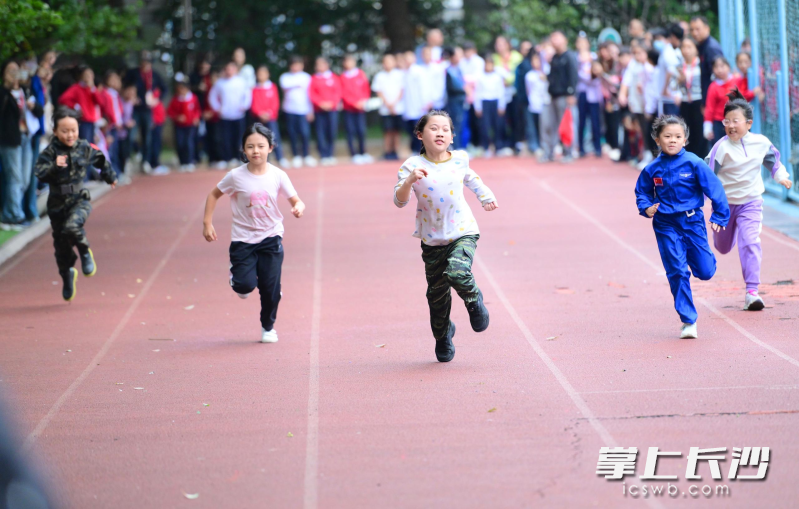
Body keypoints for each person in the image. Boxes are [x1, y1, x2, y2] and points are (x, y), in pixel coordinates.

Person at [392, 110, 496, 362]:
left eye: (445, 129)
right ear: (420, 135)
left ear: (451, 137)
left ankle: (474, 301)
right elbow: (399, 201)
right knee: (436, 299)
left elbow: (473, 180)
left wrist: (486, 197)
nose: (440, 133)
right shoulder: (411, 166)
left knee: (458, 272)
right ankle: (443, 335)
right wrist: (409, 181)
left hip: (462, 231)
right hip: (432, 240)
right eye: (433, 128)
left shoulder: (459, 159)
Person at [202, 123, 305, 343]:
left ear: (270, 148)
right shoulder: (235, 176)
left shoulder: (278, 175)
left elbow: (296, 200)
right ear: (243, 149)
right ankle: (238, 279)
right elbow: (213, 195)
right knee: (244, 286)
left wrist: (298, 207)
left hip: (271, 237)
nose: (255, 151)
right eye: (250, 146)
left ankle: (268, 327)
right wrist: (207, 223)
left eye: (260, 146)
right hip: (243, 240)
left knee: (271, 289)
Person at [634, 115, 729, 339]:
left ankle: (703, 260)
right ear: (657, 140)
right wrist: (646, 207)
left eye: (678, 136)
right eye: (667, 136)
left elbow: (715, 189)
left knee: (705, 271)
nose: (673, 140)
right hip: (665, 224)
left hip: (692, 221)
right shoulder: (652, 168)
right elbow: (642, 192)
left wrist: (720, 215)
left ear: (685, 140)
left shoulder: (694, 163)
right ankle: (688, 320)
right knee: (677, 270)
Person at [705, 89, 792, 310]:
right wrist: (702, 198)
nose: (731, 126)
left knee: (751, 241)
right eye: (727, 121)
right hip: (724, 206)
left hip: (751, 202)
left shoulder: (761, 142)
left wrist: (781, 177)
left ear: (749, 123)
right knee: (723, 247)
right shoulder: (721, 147)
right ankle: (730, 233)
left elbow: (773, 161)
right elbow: (708, 176)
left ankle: (752, 292)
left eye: (736, 121)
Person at [34, 107, 117, 300]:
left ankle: (85, 251)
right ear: (55, 131)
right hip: (57, 204)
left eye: (73, 130)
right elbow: (39, 173)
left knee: (73, 227)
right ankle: (67, 274)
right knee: (61, 248)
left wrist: (110, 176)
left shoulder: (84, 147)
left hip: (79, 200)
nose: (70, 135)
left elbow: (101, 159)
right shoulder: (50, 152)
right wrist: (54, 166)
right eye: (65, 131)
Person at [1, 60, 42, 231]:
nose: (13, 73)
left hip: (26, 137)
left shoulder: (25, 90)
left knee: (24, 179)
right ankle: (14, 216)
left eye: (15, 70)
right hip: (10, 140)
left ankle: (9, 212)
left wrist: (33, 105)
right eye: (9, 71)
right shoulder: (3, 93)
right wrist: (8, 88)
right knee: (14, 178)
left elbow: (39, 111)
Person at [125, 52, 166, 173]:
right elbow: (125, 86)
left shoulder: (155, 75)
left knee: (147, 137)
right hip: (134, 109)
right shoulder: (133, 73)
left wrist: (157, 99)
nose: (145, 64)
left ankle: (145, 161)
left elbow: (164, 89)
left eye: (147, 61)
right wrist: (131, 97)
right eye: (143, 61)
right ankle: (128, 159)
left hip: (148, 110)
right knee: (131, 135)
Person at [542, 31, 578, 163]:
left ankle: (569, 152)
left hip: (565, 96)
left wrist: (571, 93)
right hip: (552, 95)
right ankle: (549, 153)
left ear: (565, 40)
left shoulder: (569, 56)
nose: (554, 40)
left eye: (557, 38)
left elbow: (573, 76)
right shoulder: (554, 58)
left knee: (566, 125)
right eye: (552, 38)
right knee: (549, 125)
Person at [209, 61, 251, 169]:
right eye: (227, 69)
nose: (229, 71)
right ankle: (226, 158)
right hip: (225, 116)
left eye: (232, 69)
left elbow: (248, 95)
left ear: (236, 70)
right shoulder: (220, 83)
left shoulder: (241, 82)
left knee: (239, 138)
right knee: (225, 138)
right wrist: (217, 108)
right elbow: (212, 97)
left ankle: (238, 158)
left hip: (239, 115)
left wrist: (244, 106)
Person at [279, 56, 315, 168]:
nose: (296, 66)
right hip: (290, 109)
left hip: (304, 110)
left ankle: (306, 155)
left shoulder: (307, 77)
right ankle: (296, 155)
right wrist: (296, 85)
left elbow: (310, 94)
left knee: (305, 133)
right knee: (292, 134)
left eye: (299, 64)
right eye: (294, 64)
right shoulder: (285, 77)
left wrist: (311, 110)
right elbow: (285, 87)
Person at [251, 65, 289, 168]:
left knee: (274, 138)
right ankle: (264, 160)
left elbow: (275, 103)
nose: (261, 75)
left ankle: (280, 158)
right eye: (259, 73)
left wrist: (269, 113)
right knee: (260, 140)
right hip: (259, 119)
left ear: (268, 74)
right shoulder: (255, 89)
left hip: (271, 118)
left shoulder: (272, 87)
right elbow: (254, 104)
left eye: (263, 73)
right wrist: (260, 113)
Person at [58, 66, 107, 142]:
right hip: (83, 120)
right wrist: (75, 106)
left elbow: (100, 102)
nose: (88, 77)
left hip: (92, 120)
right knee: (84, 142)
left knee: (91, 143)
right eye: (86, 75)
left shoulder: (92, 89)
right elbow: (63, 99)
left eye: (90, 75)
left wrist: (93, 88)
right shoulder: (76, 88)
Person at [492, 36, 523, 156]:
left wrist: (509, 80)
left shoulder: (517, 57)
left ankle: (516, 143)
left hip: (514, 92)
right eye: (497, 44)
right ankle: (502, 144)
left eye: (501, 44)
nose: (499, 47)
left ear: (507, 45)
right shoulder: (494, 58)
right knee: (500, 119)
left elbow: (519, 73)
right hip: (499, 93)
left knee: (515, 118)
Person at [339, 54, 372, 164]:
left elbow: (366, 89)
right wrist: (353, 103)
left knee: (361, 131)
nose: (349, 63)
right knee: (350, 131)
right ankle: (354, 154)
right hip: (349, 109)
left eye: (351, 61)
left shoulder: (360, 74)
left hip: (360, 108)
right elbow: (343, 93)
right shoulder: (342, 77)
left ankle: (363, 152)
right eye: (347, 61)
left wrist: (363, 101)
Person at [309, 57, 342, 166]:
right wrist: (320, 103)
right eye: (317, 64)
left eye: (321, 64)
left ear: (327, 65)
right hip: (319, 110)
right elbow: (312, 93)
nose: (319, 66)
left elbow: (338, 92)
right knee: (320, 132)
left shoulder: (334, 77)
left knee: (332, 131)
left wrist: (332, 103)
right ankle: (323, 155)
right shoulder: (314, 78)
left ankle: (330, 154)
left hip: (332, 109)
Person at [677, 37, 706, 157]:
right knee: (686, 132)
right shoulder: (679, 66)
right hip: (684, 102)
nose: (686, 50)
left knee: (699, 133)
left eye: (689, 47)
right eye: (683, 47)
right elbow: (673, 86)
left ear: (696, 49)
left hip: (698, 101)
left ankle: (700, 160)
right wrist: (680, 81)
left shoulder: (701, 64)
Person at [372, 53, 405, 160]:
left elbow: (402, 90)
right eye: (385, 62)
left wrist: (394, 104)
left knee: (396, 131)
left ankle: (396, 151)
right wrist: (387, 104)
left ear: (394, 62)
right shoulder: (379, 76)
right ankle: (387, 151)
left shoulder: (400, 74)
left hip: (397, 108)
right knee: (387, 130)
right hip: (385, 109)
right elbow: (378, 91)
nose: (388, 64)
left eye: (390, 61)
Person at [167, 76, 201, 172]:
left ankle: (190, 161)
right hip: (179, 126)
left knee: (189, 143)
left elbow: (197, 110)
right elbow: (170, 111)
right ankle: (182, 162)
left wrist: (196, 118)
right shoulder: (175, 99)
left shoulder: (193, 98)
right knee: (180, 143)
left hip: (190, 125)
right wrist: (177, 117)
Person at [474, 58, 507, 157]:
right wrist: (478, 107)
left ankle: (498, 147)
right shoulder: (480, 77)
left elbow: (501, 91)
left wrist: (501, 105)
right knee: (485, 126)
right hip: (485, 102)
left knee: (497, 125)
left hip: (495, 101)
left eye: (490, 64)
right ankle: (485, 147)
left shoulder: (497, 77)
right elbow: (477, 92)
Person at [690, 16, 724, 102]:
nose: (694, 33)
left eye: (698, 29)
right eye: (692, 30)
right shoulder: (701, 45)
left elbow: (718, 76)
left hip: (713, 99)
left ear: (707, 28)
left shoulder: (711, 48)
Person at [402, 51, 430, 153]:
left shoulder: (418, 71)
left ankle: (420, 149)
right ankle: (414, 149)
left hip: (418, 105)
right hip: (409, 106)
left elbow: (424, 88)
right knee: (410, 129)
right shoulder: (405, 72)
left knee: (419, 129)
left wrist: (425, 102)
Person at [704, 56, 736, 144]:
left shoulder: (736, 81)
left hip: (735, 121)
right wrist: (707, 127)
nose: (720, 70)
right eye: (716, 67)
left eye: (722, 66)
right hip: (719, 124)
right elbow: (709, 108)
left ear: (728, 67)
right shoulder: (713, 87)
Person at [655, 25, 683, 116]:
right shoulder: (678, 51)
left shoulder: (668, 51)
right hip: (676, 95)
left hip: (668, 98)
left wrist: (664, 89)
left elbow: (670, 71)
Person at [443, 47, 467, 149]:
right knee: (455, 124)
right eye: (458, 55)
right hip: (453, 101)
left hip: (462, 100)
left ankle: (462, 146)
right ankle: (456, 147)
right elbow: (453, 87)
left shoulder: (460, 68)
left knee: (462, 124)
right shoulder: (448, 70)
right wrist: (464, 89)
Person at [524, 52, 548, 155]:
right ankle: (534, 146)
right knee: (532, 126)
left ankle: (545, 144)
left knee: (545, 126)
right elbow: (528, 90)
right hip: (533, 103)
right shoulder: (529, 75)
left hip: (545, 103)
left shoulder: (547, 72)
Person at [580, 61, 605, 158]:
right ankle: (581, 148)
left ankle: (597, 147)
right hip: (584, 99)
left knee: (596, 124)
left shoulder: (601, 76)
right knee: (582, 124)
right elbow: (583, 77)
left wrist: (600, 73)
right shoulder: (584, 72)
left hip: (595, 101)